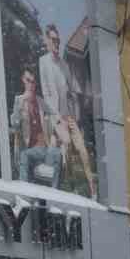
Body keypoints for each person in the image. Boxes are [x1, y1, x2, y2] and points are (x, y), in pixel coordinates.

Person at [38, 23, 97, 197]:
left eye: (58, 40)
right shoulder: (43, 62)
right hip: (56, 116)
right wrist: (56, 118)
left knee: (82, 151)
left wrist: (75, 107)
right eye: (53, 40)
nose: (57, 44)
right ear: (46, 40)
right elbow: (47, 91)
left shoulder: (64, 65)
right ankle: (64, 187)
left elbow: (73, 88)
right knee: (65, 145)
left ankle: (92, 189)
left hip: (69, 115)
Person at [8, 68, 63, 186]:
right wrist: (21, 105)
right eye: (28, 80)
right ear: (23, 80)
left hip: (44, 147)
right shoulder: (19, 100)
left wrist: (55, 134)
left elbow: (55, 116)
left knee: (57, 154)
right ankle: (23, 189)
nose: (31, 84)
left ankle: (55, 192)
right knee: (25, 156)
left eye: (33, 81)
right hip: (29, 149)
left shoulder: (40, 101)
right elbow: (15, 123)